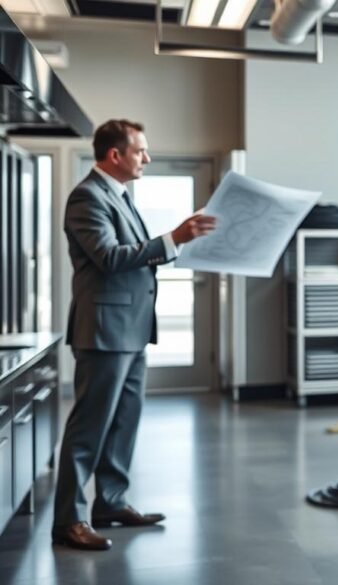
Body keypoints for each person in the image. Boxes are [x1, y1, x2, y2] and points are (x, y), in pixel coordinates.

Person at [52, 119, 216, 551]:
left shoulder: (120, 195)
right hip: (104, 331)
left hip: (132, 329)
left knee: (124, 421)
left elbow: (136, 257)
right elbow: (109, 257)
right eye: (140, 150)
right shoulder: (87, 196)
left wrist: (178, 241)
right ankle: (68, 520)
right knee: (89, 427)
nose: (147, 157)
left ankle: (110, 502)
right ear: (115, 155)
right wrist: (173, 238)